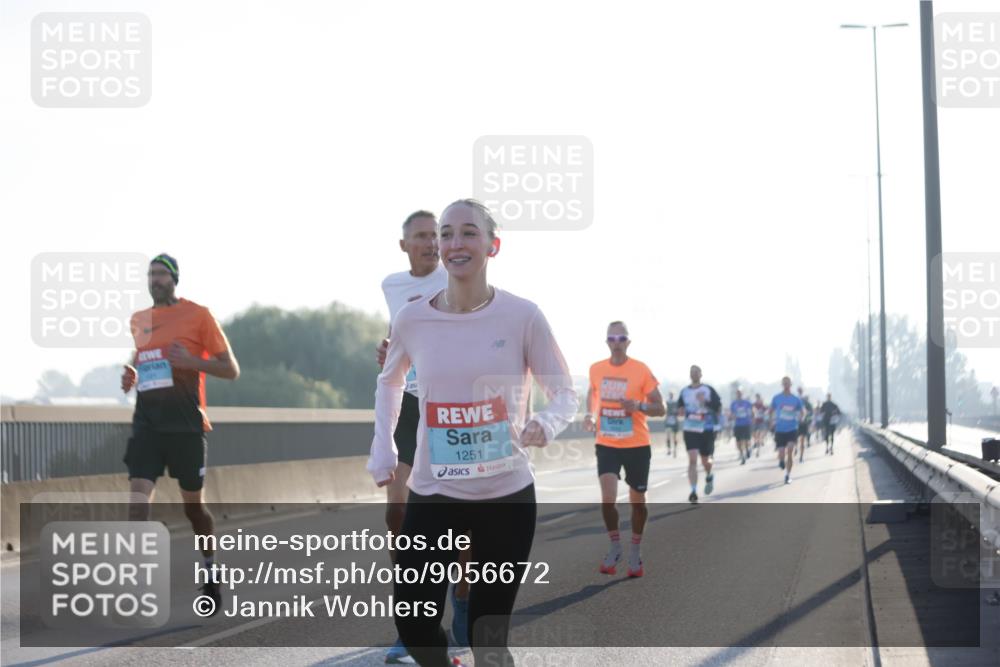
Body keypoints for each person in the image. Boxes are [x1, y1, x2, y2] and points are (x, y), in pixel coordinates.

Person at [368, 199, 578, 667]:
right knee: (416, 626)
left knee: (488, 640)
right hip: (434, 490)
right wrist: (382, 448)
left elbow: (565, 392)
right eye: (446, 234)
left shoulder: (523, 315)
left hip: (505, 495)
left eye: (468, 233)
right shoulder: (413, 317)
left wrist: (545, 421)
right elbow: (390, 381)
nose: (454, 243)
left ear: (492, 245)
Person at [120, 253, 240, 614]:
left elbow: (230, 369)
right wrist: (131, 375)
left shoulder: (198, 316)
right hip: (147, 424)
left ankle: (210, 570)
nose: (154, 280)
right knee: (138, 504)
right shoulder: (140, 320)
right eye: (150, 275)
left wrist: (191, 362)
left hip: (186, 425)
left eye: (161, 274)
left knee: (194, 509)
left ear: (174, 279)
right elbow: (141, 360)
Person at [376, 210, 451, 662]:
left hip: (448, 407)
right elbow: (396, 335)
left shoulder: (456, 276)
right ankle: (414, 620)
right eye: (420, 236)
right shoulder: (391, 286)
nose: (430, 242)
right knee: (397, 513)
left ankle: (457, 606)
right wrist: (386, 350)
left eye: (435, 235)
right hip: (408, 405)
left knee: (452, 521)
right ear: (403, 244)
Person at [584, 322, 665, 578]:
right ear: (607, 342)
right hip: (607, 442)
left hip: (637, 445)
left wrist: (639, 405)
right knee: (608, 498)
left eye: (621, 338)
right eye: (612, 338)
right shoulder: (596, 369)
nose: (616, 342)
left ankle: (635, 552)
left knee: (637, 502)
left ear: (628, 342)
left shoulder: (640, 370)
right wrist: (590, 415)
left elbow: (660, 408)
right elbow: (592, 394)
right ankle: (616, 546)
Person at [676, 365, 722, 503]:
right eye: (692, 372)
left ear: (701, 374)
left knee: (705, 461)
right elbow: (680, 409)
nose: (694, 374)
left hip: (706, 429)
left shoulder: (708, 389)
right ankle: (694, 491)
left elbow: (718, 407)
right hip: (690, 429)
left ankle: (709, 474)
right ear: (689, 375)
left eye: (696, 372)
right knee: (692, 460)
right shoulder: (684, 391)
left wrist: (705, 403)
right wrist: (681, 411)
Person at [770, 377, 804, 484]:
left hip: (792, 428)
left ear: (791, 385)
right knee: (781, 453)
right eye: (784, 383)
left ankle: (788, 475)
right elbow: (771, 410)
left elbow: (802, 410)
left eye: (788, 383)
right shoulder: (776, 398)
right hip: (780, 429)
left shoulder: (795, 399)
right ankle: (781, 460)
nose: (786, 385)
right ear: (782, 384)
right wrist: (771, 420)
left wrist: (801, 417)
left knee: (790, 450)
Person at [729, 388, 754, 464]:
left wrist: (753, 416)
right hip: (737, 424)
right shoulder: (733, 403)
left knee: (746, 440)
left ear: (742, 394)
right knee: (738, 441)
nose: (739, 394)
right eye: (737, 393)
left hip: (746, 423)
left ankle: (747, 449)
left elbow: (752, 411)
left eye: (740, 393)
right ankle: (742, 455)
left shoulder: (747, 402)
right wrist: (732, 417)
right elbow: (732, 414)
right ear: (736, 394)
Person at [796, 387, 813, 462]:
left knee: (802, 440)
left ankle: (801, 456)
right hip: (795, 423)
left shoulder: (806, 402)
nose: (800, 392)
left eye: (800, 391)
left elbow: (811, 412)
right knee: (795, 440)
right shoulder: (794, 400)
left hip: (803, 423)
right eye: (799, 391)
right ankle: (796, 449)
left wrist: (806, 416)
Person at [664, 391, 680, 457]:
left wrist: (676, 412)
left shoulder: (676, 403)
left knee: (674, 436)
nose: (671, 396)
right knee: (668, 435)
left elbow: (678, 411)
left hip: (674, 420)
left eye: (672, 395)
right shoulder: (666, 402)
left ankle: (675, 449)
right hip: (668, 420)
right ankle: (669, 449)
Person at [752, 392, 768, 457]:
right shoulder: (754, 405)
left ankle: (758, 451)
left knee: (760, 435)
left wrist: (765, 413)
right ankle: (756, 442)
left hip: (761, 422)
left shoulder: (763, 405)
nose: (757, 399)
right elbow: (752, 412)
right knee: (754, 435)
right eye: (756, 398)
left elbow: (767, 412)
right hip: (755, 422)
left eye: (758, 398)